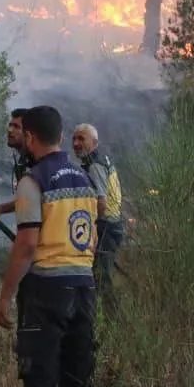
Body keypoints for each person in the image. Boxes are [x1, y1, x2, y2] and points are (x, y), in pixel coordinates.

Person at [0, 105, 100, 387]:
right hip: (84, 287)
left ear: (30, 136)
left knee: (40, 375)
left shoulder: (33, 179)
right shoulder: (83, 177)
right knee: (78, 376)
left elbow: (26, 245)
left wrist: (5, 297)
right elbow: (92, 236)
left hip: (46, 290)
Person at [72, 123, 124, 299]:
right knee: (102, 276)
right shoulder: (101, 159)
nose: (76, 143)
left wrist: (92, 231)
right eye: (74, 138)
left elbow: (101, 202)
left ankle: (111, 321)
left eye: (81, 139)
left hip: (105, 228)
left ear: (94, 142)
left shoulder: (94, 165)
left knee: (101, 278)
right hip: (112, 225)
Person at [0, 108, 32, 221]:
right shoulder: (22, 160)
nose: (10, 130)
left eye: (16, 127)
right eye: (10, 125)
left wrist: (0, 209)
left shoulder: (35, 161)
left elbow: (32, 199)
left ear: (28, 133)